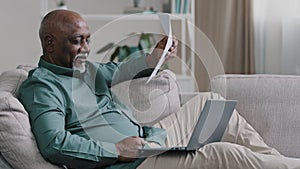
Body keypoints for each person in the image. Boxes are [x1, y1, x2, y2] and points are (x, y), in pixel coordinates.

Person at [18, 9, 300, 169]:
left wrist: (154, 58)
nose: (87, 49)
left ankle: (278, 163)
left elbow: (121, 71)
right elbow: (54, 143)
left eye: (89, 40)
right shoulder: (42, 86)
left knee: (211, 104)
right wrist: (116, 149)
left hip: (149, 141)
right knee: (221, 154)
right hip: (129, 164)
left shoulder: (87, 69)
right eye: (78, 41)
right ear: (50, 43)